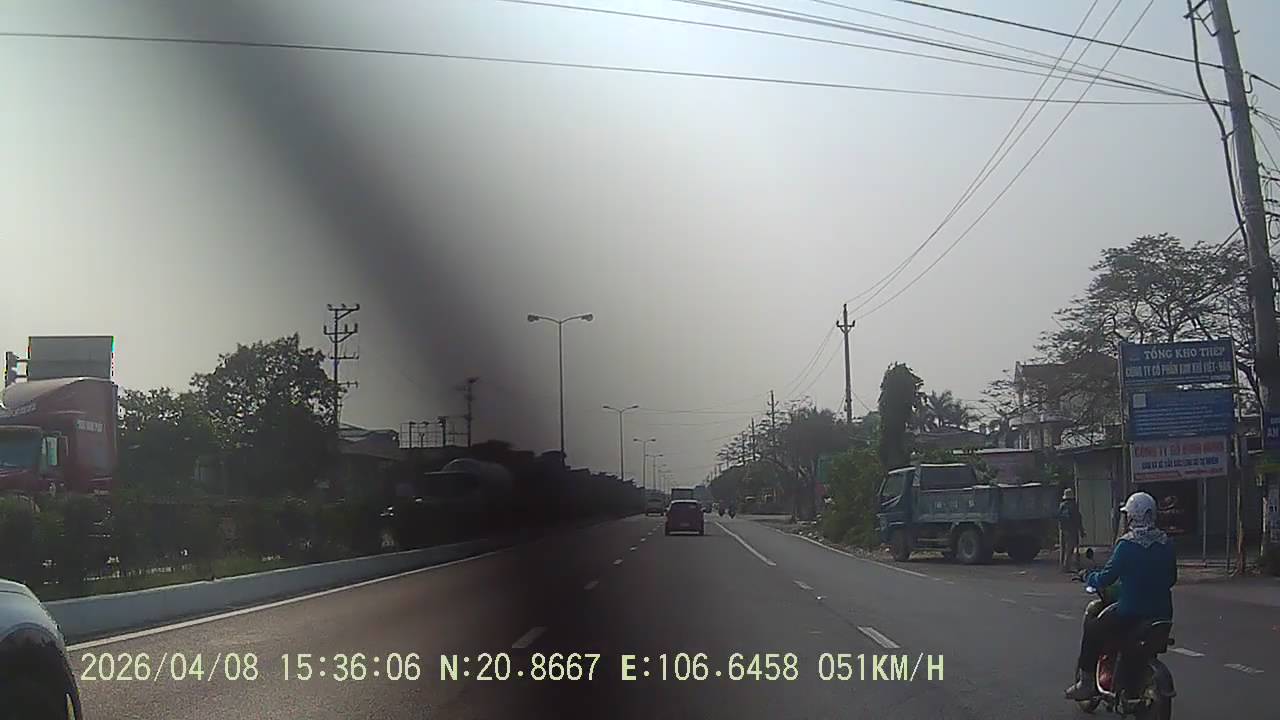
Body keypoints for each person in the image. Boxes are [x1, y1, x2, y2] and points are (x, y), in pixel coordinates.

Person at [1064, 492, 1177, 701]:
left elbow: (1106, 577)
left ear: (1133, 517)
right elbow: (1171, 578)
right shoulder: (1166, 543)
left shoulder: (1126, 545)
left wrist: (1089, 577)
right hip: (1162, 613)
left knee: (1093, 629)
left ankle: (1086, 684)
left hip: (1130, 613)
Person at [1058, 488, 1085, 572]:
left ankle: (1062, 565)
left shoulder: (1061, 505)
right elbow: (1078, 519)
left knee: (1063, 548)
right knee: (1070, 548)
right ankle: (1069, 566)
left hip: (1062, 529)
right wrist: (1081, 530)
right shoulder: (1073, 506)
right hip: (1072, 529)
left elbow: (1058, 517)